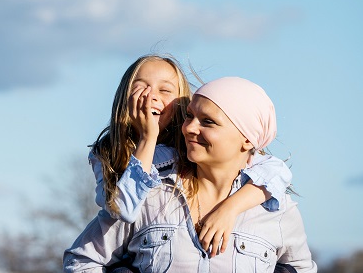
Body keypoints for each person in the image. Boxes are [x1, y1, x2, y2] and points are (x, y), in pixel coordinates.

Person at [65, 77, 317, 272]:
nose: (189, 128)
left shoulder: (278, 210)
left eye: (208, 122)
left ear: (247, 139)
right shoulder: (150, 193)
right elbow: (82, 259)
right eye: (189, 116)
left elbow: (302, 268)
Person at [89, 55, 291, 256]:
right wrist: (147, 138)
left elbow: (276, 171)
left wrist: (230, 208)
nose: (151, 96)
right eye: (140, 86)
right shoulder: (107, 152)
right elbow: (123, 209)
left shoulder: (189, 146)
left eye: (165, 90)